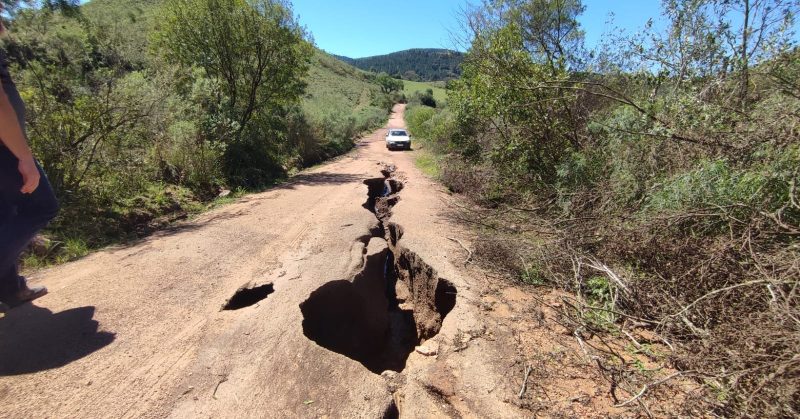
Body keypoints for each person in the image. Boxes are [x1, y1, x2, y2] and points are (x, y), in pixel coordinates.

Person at [0, 13, 59, 311]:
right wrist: (23, 155)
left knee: (5, 214)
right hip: (4, 151)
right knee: (43, 205)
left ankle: (11, 289)